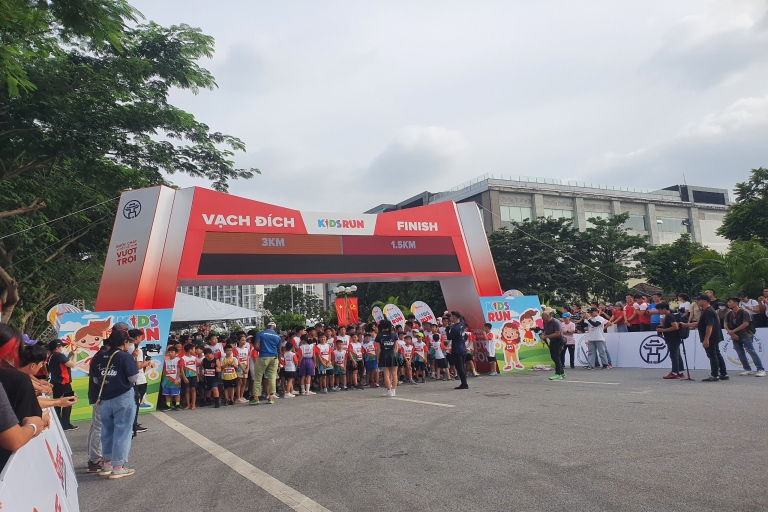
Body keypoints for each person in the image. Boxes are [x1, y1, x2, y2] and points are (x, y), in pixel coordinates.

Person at [89, 329, 139, 479]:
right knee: (122, 431)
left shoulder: (99, 356)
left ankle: (106, 464)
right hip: (123, 396)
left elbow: (96, 379)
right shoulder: (125, 356)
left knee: (107, 431)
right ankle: (118, 467)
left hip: (104, 398)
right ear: (124, 342)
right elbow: (133, 378)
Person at [686, 294, 728, 382]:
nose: (697, 302)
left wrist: (706, 339)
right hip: (715, 335)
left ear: (705, 301)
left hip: (711, 336)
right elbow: (700, 323)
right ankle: (723, 373)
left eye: (698, 300)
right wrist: (686, 325)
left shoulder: (708, 311)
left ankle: (714, 375)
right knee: (717, 354)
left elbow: (709, 326)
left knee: (712, 355)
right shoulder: (707, 310)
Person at [724, 297, 766, 377]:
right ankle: (747, 369)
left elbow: (745, 324)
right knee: (740, 353)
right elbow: (725, 324)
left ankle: (760, 369)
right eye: (728, 302)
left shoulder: (744, 312)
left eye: (730, 302)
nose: (728, 304)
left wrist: (733, 331)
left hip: (746, 335)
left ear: (736, 303)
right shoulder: (728, 314)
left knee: (751, 352)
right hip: (735, 336)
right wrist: (730, 332)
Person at [47, 339, 77, 430]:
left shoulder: (52, 356)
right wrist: (75, 355)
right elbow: (72, 364)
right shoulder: (59, 356)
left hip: (56, 383)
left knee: (57, 403)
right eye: (61, 346)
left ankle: (59, 424)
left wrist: (69, 356)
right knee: (68, 402)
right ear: (57, 348)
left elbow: (63, 364)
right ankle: (65, 424)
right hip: (64, 383)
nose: (62, 348)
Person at [251, 321, 281, 405]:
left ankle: (256, 398)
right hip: (274, 358)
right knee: (272, 377)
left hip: (263, 357)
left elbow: (256, 346)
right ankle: (271, 398)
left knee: (258, 378)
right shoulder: (277, 336)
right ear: (274, 327)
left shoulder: (261, 334)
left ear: (267, 326)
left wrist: (263, 350)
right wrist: (279, 363)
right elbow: (279, 351)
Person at [127, 329, 150, 435]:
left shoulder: (126, 348)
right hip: (139, 380)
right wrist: (147, 363)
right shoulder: (137, 350)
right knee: (136, 404)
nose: (141, 339)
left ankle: (132, 423)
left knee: (132, 403)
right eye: (140, 337)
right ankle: (133, 425)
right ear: (136, 338)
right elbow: (138, 366)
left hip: (130, 380)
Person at [656, 302, 684, 379]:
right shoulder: (669, 316)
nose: (658, 311)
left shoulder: (670, 316)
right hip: (674, 337)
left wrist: (663, 330)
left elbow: (675, 327)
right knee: (677, 354)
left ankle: (674, 372)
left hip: (672, 338)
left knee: (674, 355)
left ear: (664, 309)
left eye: (659, 309)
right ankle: (680, 371)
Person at [376, 320, 399, 397]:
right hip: (393, 354)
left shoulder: (379, 335)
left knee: (386, 374)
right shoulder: (394, 334)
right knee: (394, 374)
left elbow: (378, 349)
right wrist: (395, 353)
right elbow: (396, 346)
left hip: (384, 354)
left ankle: (389, 391)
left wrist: (378, 358)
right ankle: (394, 390)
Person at [539, 312, 565, 380]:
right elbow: (545, 329)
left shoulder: (556, 322)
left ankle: (558, 373)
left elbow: (557, 334)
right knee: (553, 357)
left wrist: (546, 336)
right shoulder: (545, 322)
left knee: (556, 357)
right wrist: (543, 335)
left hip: (558, 340)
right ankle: (562, 372)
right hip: (552, 340)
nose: (545, 321)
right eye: (544, 320)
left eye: (546, 320)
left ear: (550, 317)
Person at [447, 312, 468, 389]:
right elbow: (461, 318)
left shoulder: (455, 328)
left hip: (457, 350)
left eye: (451, 317)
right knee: (462, 366)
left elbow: (449, 337)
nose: (450, 318)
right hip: (463, 348)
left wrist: (447, 330)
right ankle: (465, 382)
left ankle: (464, 384)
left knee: (459, 367)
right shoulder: (462, 324)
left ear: (454, 318)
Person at [161, 345, 183, 410]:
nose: (170, 353)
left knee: (176, 393)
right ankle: (168, 405)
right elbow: (164, 371)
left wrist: (177, 379)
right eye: (169, 352)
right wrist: (163, 380)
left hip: (175, 379)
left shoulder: (178, 360)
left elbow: (179, 370)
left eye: (172, 352)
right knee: (167, 393)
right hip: (167, 379)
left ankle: (177, 404)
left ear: (176, 353)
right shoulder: (166, 361)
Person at [181, 343, 199, 410]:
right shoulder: (183, 358)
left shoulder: (194, 358)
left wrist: (197, 376)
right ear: (190, 350)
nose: (195, 350)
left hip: (194, 375)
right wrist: (184, 377)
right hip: (187, 376)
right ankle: (188, 404)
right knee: (187, 390)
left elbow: (196, 367)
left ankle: (193, 404)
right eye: (194, 349)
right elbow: (181, 369)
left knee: (193, 390)